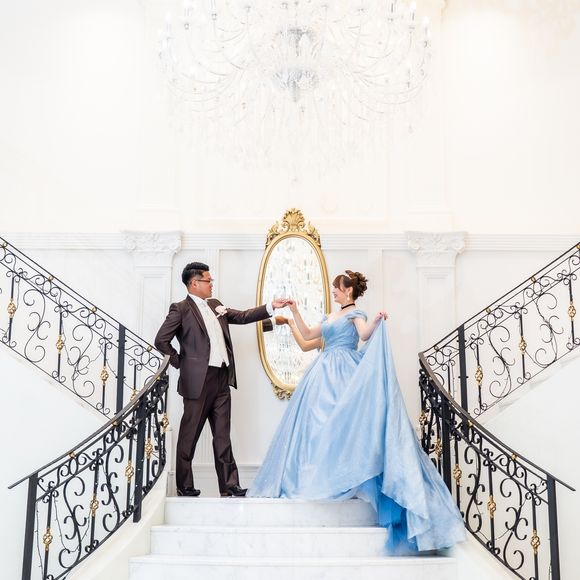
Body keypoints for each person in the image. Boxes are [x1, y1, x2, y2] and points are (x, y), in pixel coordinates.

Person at [249, 270, 465, 553]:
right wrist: (294, 312)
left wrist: (376, 320)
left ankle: (349, 480)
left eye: (337, 288)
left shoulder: (355, 313)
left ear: (348, 290)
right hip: (321, 375)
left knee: (346, 426)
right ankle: (326, 479)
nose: (334, 292)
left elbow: (364, 334)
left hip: (344, 373)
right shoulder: (330, 316)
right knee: (317, 427)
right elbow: (307, 335)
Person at [155, 262, 288, 498]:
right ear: (194, 283)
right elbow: (161, 340)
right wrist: (182, 364)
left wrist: (270, 307)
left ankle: (229, 485)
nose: (211, 284)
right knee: (189, 436)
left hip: (222, 379)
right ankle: (185, 486)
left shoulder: (215, 304)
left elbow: (242, 316)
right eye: (208, 280)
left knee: (222, 435)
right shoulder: (180, 309)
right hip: (197, 382)